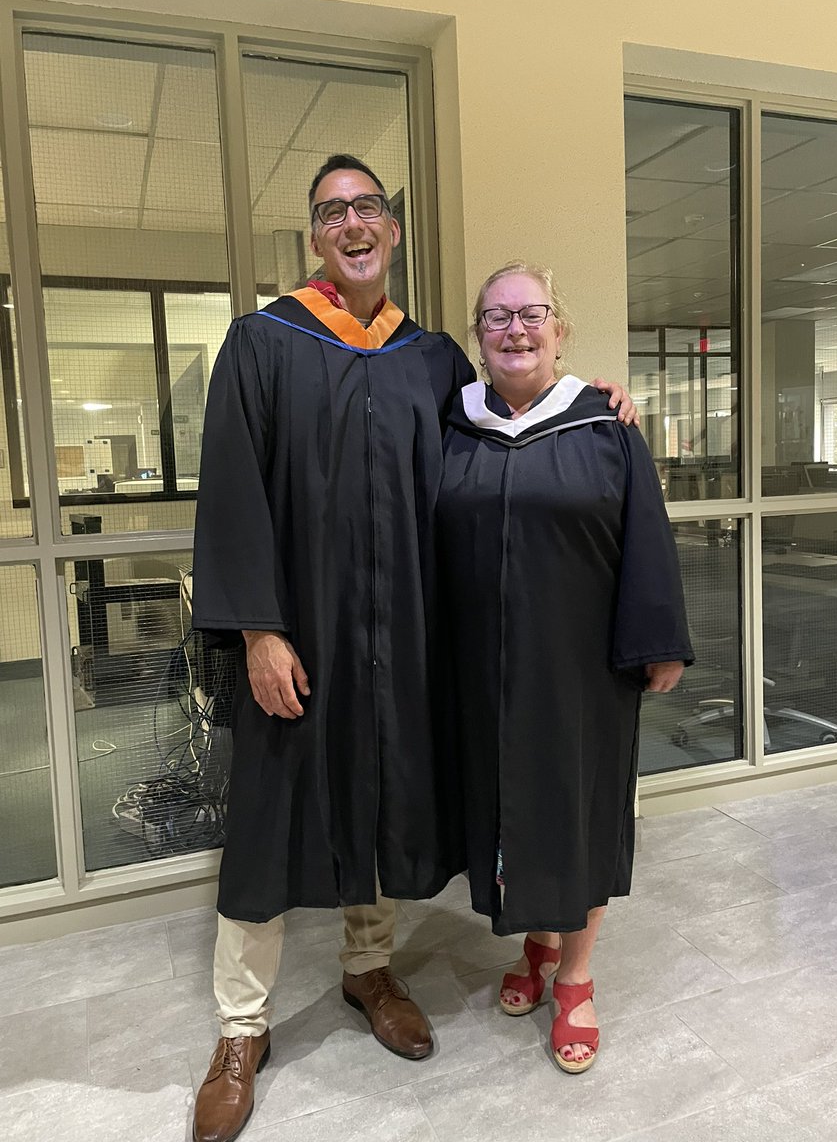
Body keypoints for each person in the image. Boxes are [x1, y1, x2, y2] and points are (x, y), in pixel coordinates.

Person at [190, 159, 636, 1142]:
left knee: (384, 799)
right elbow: (229, 496)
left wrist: (598, 397)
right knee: (270, 825)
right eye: (332, 212)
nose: (353, 223)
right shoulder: (261, 344)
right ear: (316, 238)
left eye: (368, 209)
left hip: (403, 638)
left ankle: (366, 968)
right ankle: (240, 1027)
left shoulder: (432, 359)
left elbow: (507, 432)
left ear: (392, 232)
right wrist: (258, 630)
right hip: (298, 638)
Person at [437, 261, 693, 1075]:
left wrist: (657, 641)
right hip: (484, 665)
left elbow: (646, 538)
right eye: (496, 317)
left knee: (578, 810)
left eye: (531, 314)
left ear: (560, 329)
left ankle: (576, 974)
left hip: (583, 668)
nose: (515, 329)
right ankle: (538, 945)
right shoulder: (453, 424)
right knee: (512, 807)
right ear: (478, 337)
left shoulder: (606, 425)